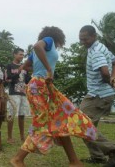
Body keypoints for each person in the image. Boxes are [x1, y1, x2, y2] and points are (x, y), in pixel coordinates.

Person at [10, 26, 97, 167]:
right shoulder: (48, 41)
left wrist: (41, 69)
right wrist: (48, 69)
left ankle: (74, 161)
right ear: (57, 37)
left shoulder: (39, 52)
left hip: (43, 85)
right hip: (39, 86)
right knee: (43, 123)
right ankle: (18, 159)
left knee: (59, 119)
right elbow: (37, 46)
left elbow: (24, 67)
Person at [79, 25, 115, 167]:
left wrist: (111, 79)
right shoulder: (101, 47)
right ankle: (98, 157)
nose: (83, 42)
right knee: (88, 126)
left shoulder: (96, 52)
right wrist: (114, 79)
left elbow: (105, 72)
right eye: (81, 39)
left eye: (86, 39)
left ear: (94, 36)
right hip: (102, 94)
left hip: (98, 95)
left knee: (81, 124)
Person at [5, 48, 30, 144]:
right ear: (14, 54)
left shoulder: (25, 67)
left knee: (22, 115)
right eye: (20, 54)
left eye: (23, 55)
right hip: (13, 93)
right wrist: (18, 71)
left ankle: (22, 137)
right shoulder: (10, 65)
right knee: (11, 114)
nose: (22, 56)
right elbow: (8, 77)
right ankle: (9, 137)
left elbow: (27, 79)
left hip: (23, 93)